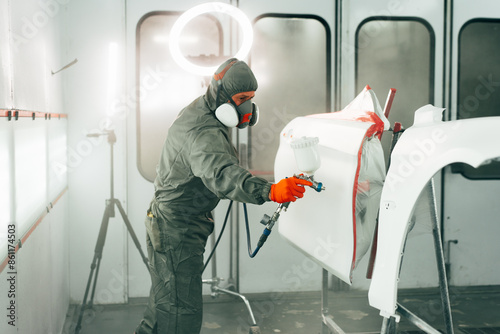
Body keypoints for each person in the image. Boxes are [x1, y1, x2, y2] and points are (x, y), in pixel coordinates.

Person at [135, 58, 312, 334]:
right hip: (177, 230)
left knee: (164, 303)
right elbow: (221, 175)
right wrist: (270, 190)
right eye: (241, 98)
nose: (246, 108)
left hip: (169, 222)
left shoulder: (202, 110)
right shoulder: (202, 130)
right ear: (221, 95)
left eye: (251, 99)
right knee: (182, 314)